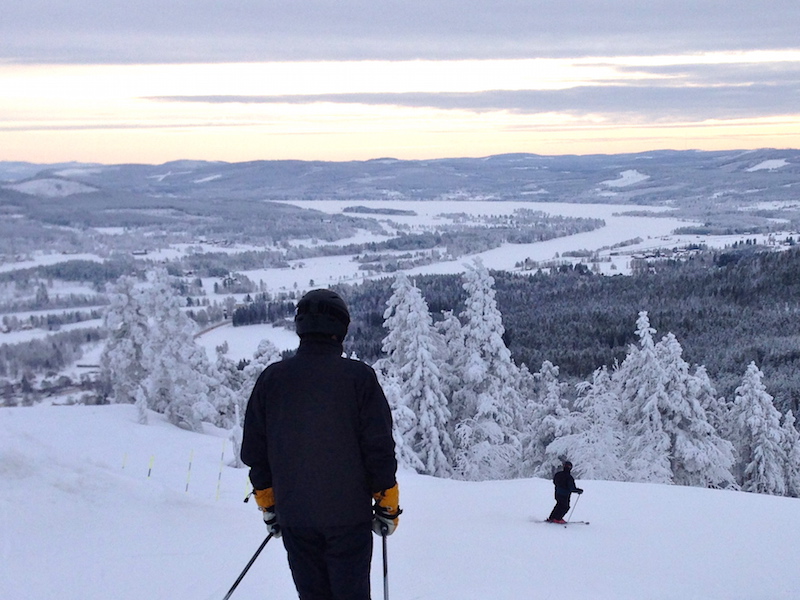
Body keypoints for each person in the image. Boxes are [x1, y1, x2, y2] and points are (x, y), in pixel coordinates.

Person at [241, 288, 400, 600]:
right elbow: (378, 448)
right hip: (348, 519)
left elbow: (255, 453)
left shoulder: (272, 379)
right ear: (340, 329)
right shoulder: (359, 378)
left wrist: (270, 506)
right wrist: (387, 505)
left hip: (295, 517)